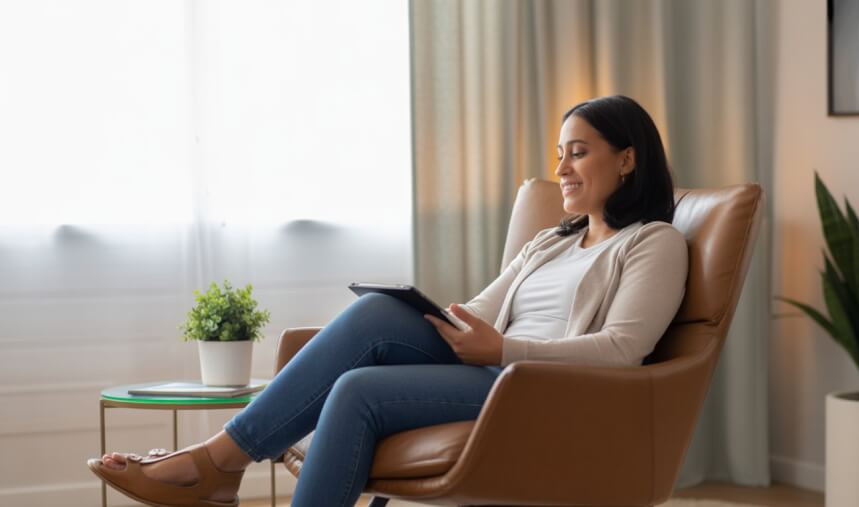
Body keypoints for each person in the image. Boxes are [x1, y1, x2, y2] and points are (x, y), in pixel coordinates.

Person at [86, 94, 689, 507]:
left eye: (578, 152)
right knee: (379, 314)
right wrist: (439, 314)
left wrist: (503, 346)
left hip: (534, 385)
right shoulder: (551, 242)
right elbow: (482, 306)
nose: (561, 168)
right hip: (488, 363)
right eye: (559, 153)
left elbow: (623, 351)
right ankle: (218, 464)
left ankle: (216, 465)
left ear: (628, 158)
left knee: (355, 391)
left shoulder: (654, 244)